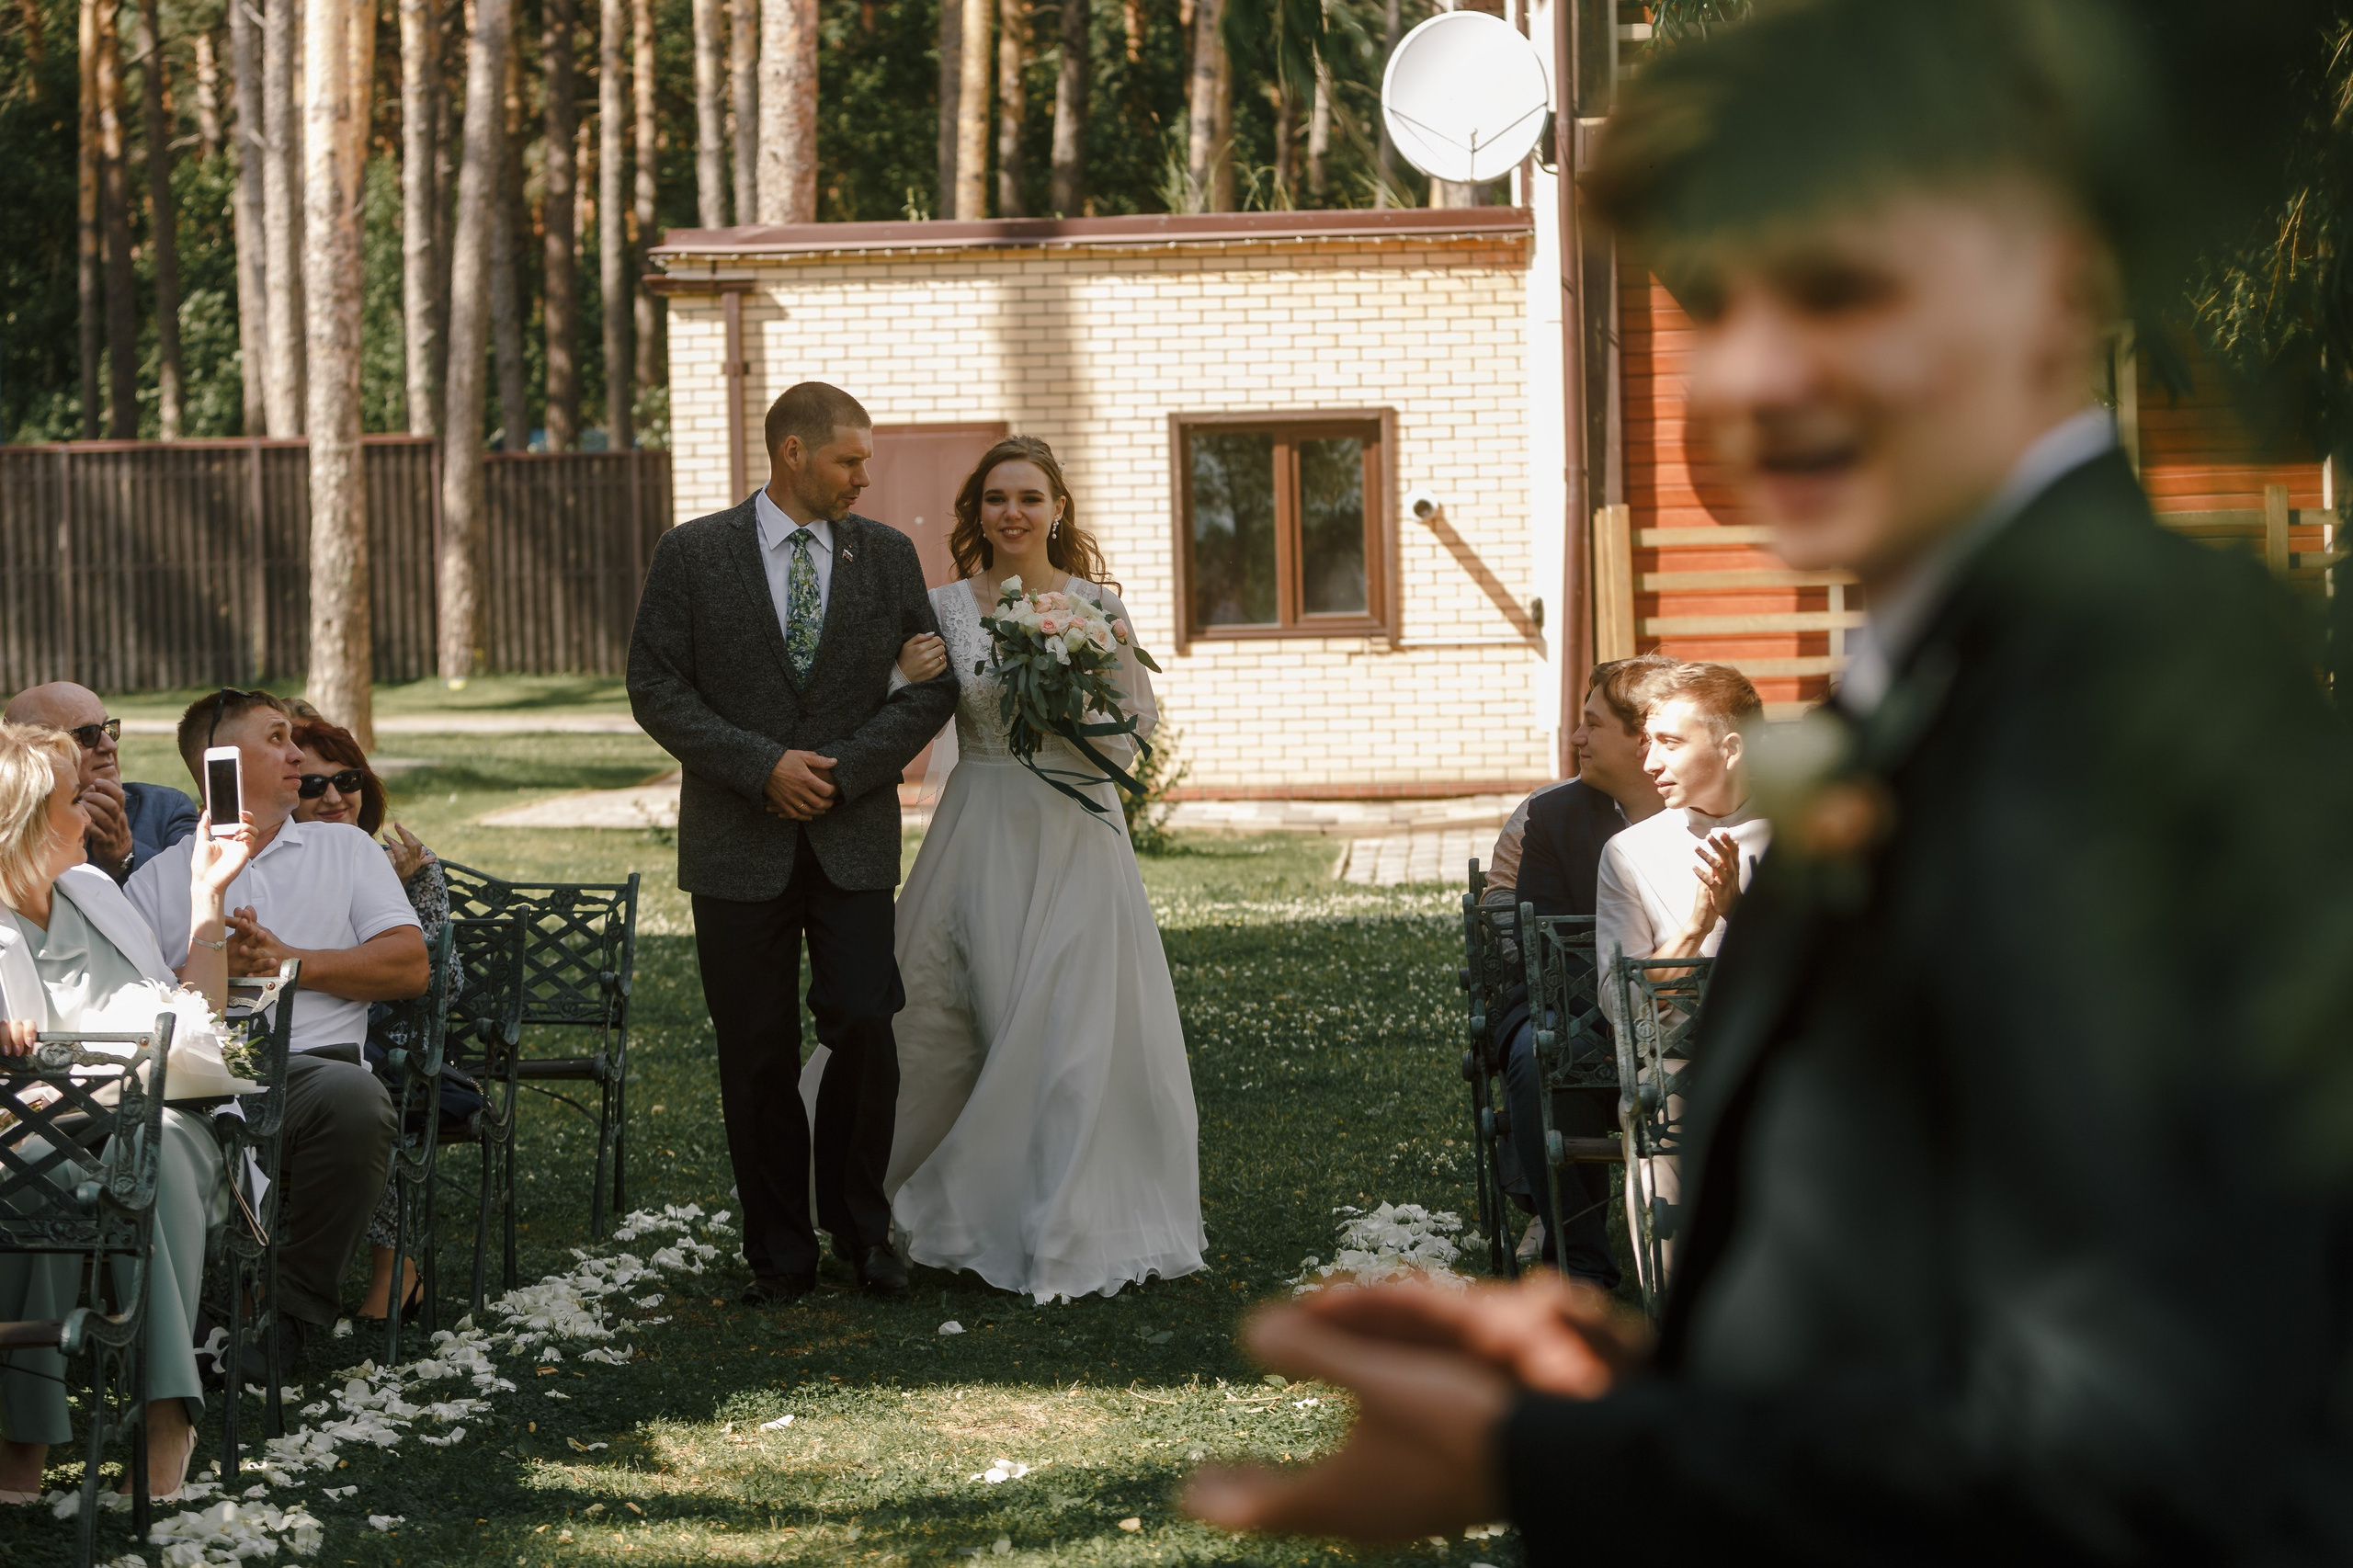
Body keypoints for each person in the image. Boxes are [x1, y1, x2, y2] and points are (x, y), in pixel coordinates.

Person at [1182, 0, 2353, 1558]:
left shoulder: (2141, 695)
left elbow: (2140, 1427)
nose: (1751, 371)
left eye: (1837, 287)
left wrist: (1561, 1462)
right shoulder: (1947, 665)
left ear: (2055, 288)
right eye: (1716, 300)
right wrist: (1677, 1374)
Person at [627, 381, 959, 1305]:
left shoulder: (887, 555)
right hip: (737, 844)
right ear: (793, 454)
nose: (865, 475)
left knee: (862, 1020)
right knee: (756, 1046)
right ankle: (778, 1251)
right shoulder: (693, 554)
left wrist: (845, 768)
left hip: (852, 841)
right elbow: (656, 685)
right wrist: (760, 764)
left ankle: (863, 1229)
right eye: (850, 460)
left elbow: (932, 686)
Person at [862, 436, 1204, 1304]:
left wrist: (1070, 703)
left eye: (1028, 497)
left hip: (1075, 828)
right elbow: (894, 713)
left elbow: (1136, 722)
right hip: (980, 824)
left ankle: (1059, 1215)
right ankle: (899, 1198)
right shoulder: (941, 607)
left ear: (1058, 509)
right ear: (976, 512)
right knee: (952, 1016)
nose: (1011, 512)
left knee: (1070, 1024)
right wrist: (900, 675)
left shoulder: (1097, 607)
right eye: (995, 498)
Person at [124, 689, 426, 1373]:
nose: (299, 756)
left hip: (313, 1070)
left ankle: (286, 1311)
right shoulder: (155, 881)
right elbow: (128, 1002)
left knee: (353, 1098)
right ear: (220, 764)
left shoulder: (344, 848)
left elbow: (410, 967)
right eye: (278, 739)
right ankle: (186, 1314)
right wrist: (206, 965)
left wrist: (293, 962)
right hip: (197, 1075)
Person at [0, 722, 251, 1503]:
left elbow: (187, 1021)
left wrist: (208, 898)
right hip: (32, 1134)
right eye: (79, 799)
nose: (100, 811)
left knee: (165, 1146)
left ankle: (166, 1413)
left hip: (158, 1118)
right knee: (39, 1168)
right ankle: (24, 1438)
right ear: (33, 819)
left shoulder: (96, 891)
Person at [1491, 653, 1674, 1278]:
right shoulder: (1555, 817)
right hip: (1568, 1001)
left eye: (1591, 725)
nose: (1575, 738)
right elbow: (1540, 943)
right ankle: (1582, 1267)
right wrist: (1614, 1019)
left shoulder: (1710, 811)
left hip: (1681, 999)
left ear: (1643, 739)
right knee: (1538, 1051)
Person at [285, 715, 456, 1325]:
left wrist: (390, 897)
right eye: (313, 785)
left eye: (346, 779)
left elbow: (440, 982)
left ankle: (396, 1269)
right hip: (312, 1036)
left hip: (398, 1038)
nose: (334, 797)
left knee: (374, 1080)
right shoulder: (279, 868)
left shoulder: (408, 863)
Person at [1593, 662, 1770, 1019]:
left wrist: (1737, 912)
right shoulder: (1629, 852)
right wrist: (1695, 928)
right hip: (1674, 1071)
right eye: (1649, 742)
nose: (1650, 764)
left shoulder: (1801, 835)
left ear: (1730, 751)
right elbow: (1619, 1008)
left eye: (1670, 743)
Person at [3, 682, 199, 885]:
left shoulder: (166, 809)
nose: (110, 745)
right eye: (88, 734)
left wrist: (125, 856)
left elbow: (193, 897)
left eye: (108, 729)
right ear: (34, 753)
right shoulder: (11, 833)